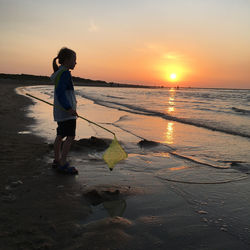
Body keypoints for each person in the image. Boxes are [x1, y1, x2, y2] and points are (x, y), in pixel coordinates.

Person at [50, 47, 78, 175]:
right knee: (70, 136)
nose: (75, 63)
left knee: (60, 135)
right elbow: (61, 94)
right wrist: (69, 108)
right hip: (66, 113)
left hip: (60, 112)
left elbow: (60, 93)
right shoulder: (65, 73)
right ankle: (62, 162)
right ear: (67, 60)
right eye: (74, 60)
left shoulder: (60, 72)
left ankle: (57, 159)